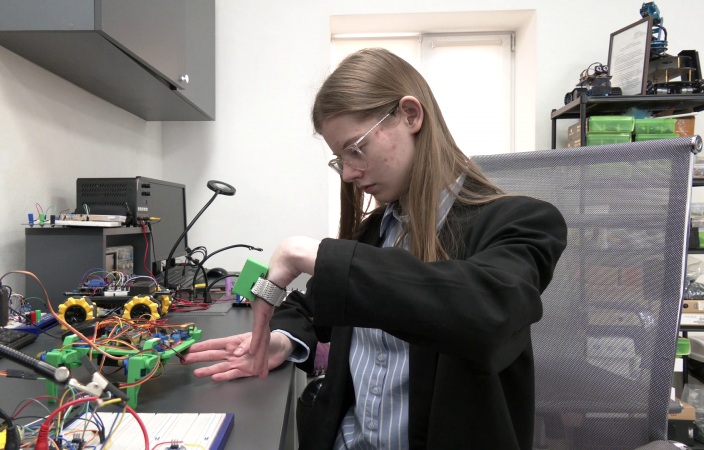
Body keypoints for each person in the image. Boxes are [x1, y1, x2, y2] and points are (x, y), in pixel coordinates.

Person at [183, 48, 567, 450]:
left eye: (356, 149)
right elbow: (310, 307)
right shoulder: (376, 232)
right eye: (340, 159)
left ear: (410, 115)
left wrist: (312, 255)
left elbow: (487, 311)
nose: (349, 173)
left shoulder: (523, 222)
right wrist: (282, 341)